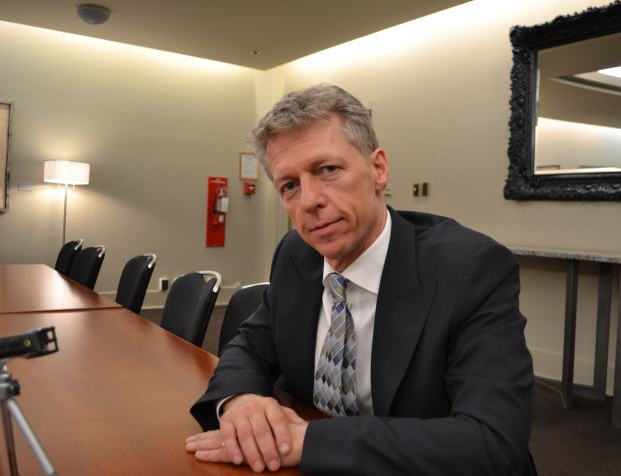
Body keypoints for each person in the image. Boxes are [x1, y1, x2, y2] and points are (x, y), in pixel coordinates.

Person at [185, 83, 535, 475]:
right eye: (290, 185)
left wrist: (309, 441)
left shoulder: (471, 268)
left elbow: (492, 443)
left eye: (327, 170)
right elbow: (250, 345)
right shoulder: (296, 253)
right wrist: (240, 399)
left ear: (378, 169)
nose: (309, 201)